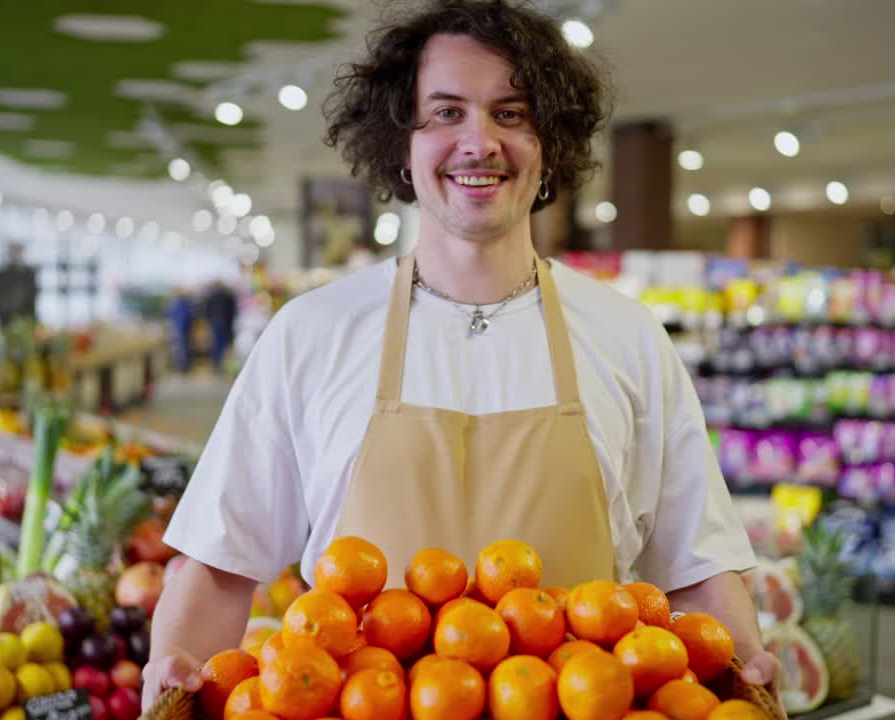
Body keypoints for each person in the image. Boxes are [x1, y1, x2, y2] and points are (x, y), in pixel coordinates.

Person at [145, 1, 785, 716]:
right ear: (401, 142)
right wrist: (173, 673)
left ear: (550, 142)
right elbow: (219, 564)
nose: (479, 142)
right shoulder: (311, 334)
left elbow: (695, 568)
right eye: (445, 113)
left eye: (511, 113)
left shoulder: (626, 336)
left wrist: (741, 673)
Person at [202, 281, 237, 373]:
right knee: (224, 345)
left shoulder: (212, 296)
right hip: (225, 324)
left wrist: (209, 321)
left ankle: (217, 364)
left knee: (217, 345)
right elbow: (233, 311)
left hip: (216, 323)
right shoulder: (228, 296)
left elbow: (206, 311)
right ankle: (223, 365)